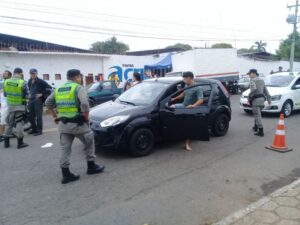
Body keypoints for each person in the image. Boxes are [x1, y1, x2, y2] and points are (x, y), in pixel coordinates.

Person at [45, 69, 105, 184]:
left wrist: (54, 116)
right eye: (80, 77)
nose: (80, 79)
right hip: (78, 124)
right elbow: (85, 104)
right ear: (77, 77)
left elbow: (48, 102)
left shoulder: (58, 88)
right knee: (89, 141)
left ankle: (66, 174)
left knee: (65, 149)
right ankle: (91, 167)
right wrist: (86, 118)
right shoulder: (78, 88)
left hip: (64, 125)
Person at [170, 71, 204, 151]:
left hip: (191, 109)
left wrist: (193, 105)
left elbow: (201, 100)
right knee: (171, 108)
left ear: (189, 78)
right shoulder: (187, 85)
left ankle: (187, 144)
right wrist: (175, 98)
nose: (183, 80)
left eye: (184, 78)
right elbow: (183, 94)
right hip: (183, 106)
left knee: (189, 126)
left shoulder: (198, 87)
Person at [3, 68, 29, 149]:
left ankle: (6, 143)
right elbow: (27, 95)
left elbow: (5, 94)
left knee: (9, 123)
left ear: (14, 73)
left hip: (10, 106)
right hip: (19, 106)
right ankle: (20, 143)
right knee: (19, 123)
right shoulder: (22, 83)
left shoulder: (6, 81)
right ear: (20, 73)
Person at [27, 68, 52, 136]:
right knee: (30, 116)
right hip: (31, 100)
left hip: (38, 101)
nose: (33, 75)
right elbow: (30, 89)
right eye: (31, 73)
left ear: (36, 74)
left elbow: (49, 88)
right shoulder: (29, 81)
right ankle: (34, 129)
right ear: (30, 74)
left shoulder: (41, 81)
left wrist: (42, 94)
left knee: (38, 116)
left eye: (34, 73)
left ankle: (39, 130)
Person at [248, 69, 271, 137]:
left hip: (256, 100)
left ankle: (261, 131)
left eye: (250, 73)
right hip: (262, 100)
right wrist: (269, 99)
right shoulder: (262, 80)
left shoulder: (252, 80)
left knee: (257, 115)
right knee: (257, 114)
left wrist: (249, 96)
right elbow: (266, 91)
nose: (249, 75)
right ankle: (255, 127)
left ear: (254, 73)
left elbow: (254, 89)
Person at [0, 70, 12, 142]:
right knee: (3, 119)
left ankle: (5, 134)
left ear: (9, 75)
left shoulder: (10, 82)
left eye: (6, 73)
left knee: (8, 119)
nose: (4, 74)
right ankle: (1, 135)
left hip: (9, 102)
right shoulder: (2, 82)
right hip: (4, 103)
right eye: (3, 73)